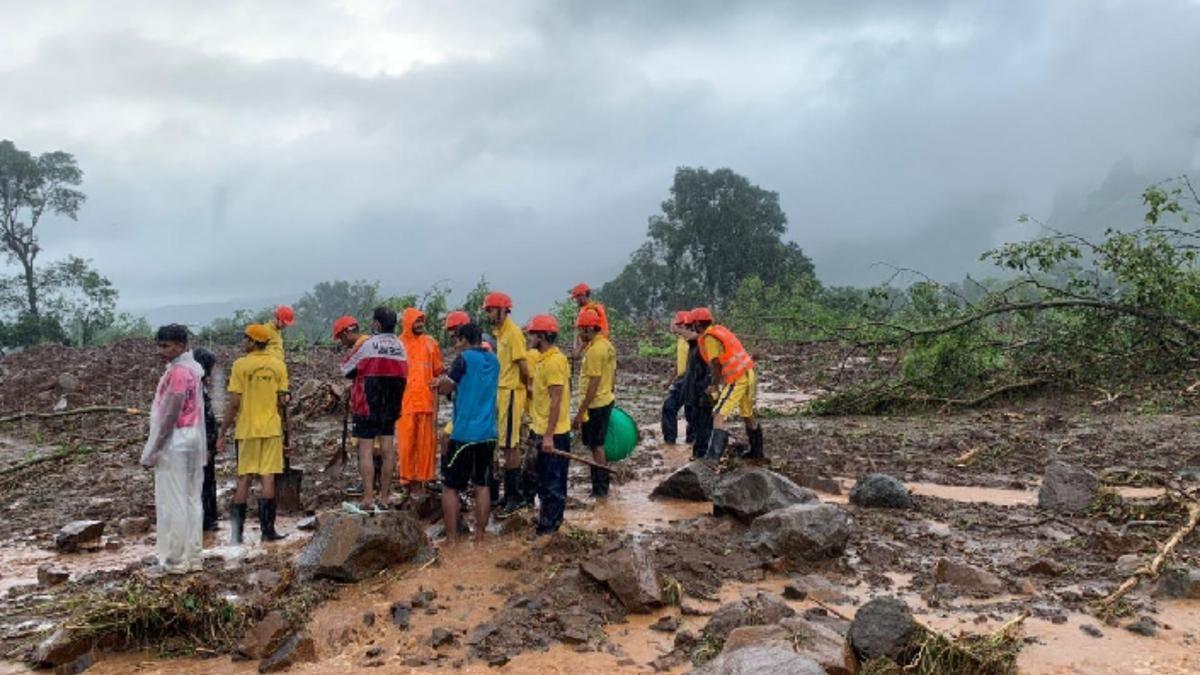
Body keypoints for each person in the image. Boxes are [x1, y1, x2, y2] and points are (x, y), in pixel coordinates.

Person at [141, 324, 206, 573]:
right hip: (191, 437)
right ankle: (194, 556)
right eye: (159, 345)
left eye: (166, 345)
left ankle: (176, 559)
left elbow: (171, 411)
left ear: (181, 345)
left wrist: (155, 447)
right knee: (191, 498)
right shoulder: (192, 370)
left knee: (174, 499)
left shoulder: (179, 372)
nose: (161, 350)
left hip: (176, 439)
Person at [218, 324, 290, 543]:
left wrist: (223, 431)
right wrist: (285, 431)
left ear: (252, 341)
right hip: (271, 429)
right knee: (268, 477)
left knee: (244, 478)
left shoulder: (240, 366)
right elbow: (282, 402)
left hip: (247, 429)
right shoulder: (278, 366)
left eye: (245, 339)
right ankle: (268, 532)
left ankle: (236, 535)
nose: (243, 342)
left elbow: (234, 403)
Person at [435, 321, 499, 544]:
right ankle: (480, 536)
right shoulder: (494, 360)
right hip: (488, 432)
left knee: (450, 486)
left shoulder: (463, 359)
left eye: (456, 339)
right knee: (482, 485)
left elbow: (448, 386)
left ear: (463, 339)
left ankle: (452, 540)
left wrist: (438, 383)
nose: (455, 344)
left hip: (463, 433)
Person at [340, 307, 408, 513]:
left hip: (367, 402)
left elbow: (346, 369)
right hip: (392, 403)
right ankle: (385, 497)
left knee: (366, 451)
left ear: (377, 324)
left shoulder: (368, 345)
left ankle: (368, 498)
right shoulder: (400, 347)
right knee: (388, 450)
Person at [482, 291, 532, 516]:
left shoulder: (512, 334)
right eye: (488, 310)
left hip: (512, 392)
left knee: (511, 445)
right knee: (505, 444)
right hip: (503, 392)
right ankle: (509, 493)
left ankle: (515, 496)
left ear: (503, 311)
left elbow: (522, 367)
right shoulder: (501, 334)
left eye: (491, 310)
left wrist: (525, 388)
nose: (489, 314)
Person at [691, 307, 762, 460]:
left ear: (697, 324)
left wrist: (715, 385)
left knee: (718, 414)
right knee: (747, 414)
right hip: (748, 372)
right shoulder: (719, 330)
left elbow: (715, 364)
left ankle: (713, 459)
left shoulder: (709, 338)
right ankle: (757, 453)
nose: (692, 327)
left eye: (693, 324)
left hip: (737, 378)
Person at [526, 314, 571, 535]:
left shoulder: (554, 361)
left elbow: (556, 399)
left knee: (553, 483)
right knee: (543, 481)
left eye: (532, 334)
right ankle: (548, 519)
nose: (529, 337)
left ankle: (549, 529)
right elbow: (544, 395)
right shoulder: (544, 359)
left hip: (554, 432)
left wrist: (548, 435)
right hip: (540, 428)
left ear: (542, 336)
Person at [396, 308, 444, 497]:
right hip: (405, 403)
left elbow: (439, 372)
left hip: (426, 402)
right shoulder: (399, 345)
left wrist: (439, 381)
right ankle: (406, 482)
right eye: (416, 321)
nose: (420, 325)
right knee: (406, 445)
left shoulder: (431, 343)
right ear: (408, 323)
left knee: (426, 445)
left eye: (422, 321)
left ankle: (425, 481)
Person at [333, 316, 383, 496]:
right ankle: (376, 484)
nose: (342, 342)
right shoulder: (374, 343)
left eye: (341, 337)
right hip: (378, 400)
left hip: (365, 401)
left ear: (348, 332)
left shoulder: (361, 345)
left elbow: (345, 368)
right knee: (377, 445)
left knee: (365, 446)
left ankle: (368, 485)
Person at [572, 308, 617, 497]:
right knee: (596, 445)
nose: (580, 334)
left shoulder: (595, 352)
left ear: (590, 328)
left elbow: (593, 384)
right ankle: (601, 485)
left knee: (597, 446)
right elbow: (613, 375)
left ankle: (600, 488)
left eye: (582, 330)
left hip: (595, 404)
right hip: (605, 400)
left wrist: (581, 412)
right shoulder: (606, 345)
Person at [193, 347, 220, 532]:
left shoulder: (198, 386)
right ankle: (206, 520)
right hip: (201, 443)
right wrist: (209, 445)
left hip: (201, 443)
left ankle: (207, 519)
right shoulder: (196, 390)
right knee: (204, 481)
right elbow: (203, 420)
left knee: (204, 481)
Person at [680, 310, 714, 460]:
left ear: (698, 324)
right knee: (697, 420)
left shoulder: (706, 339)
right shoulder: (701, 339)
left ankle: (702, 455)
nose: (689, 328)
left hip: (704, 385)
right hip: (697, 386)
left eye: (691, 324)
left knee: (703, 422)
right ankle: (700, 452)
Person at [660, 311, 694, 446]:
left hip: (690, 378)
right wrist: (669, 381)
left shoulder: (691, 339)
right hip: (682, 378)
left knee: (683, 410)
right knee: (673, 407)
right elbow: (679, 362)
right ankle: (672, 440)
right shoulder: (681, 339)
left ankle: (688, 442)